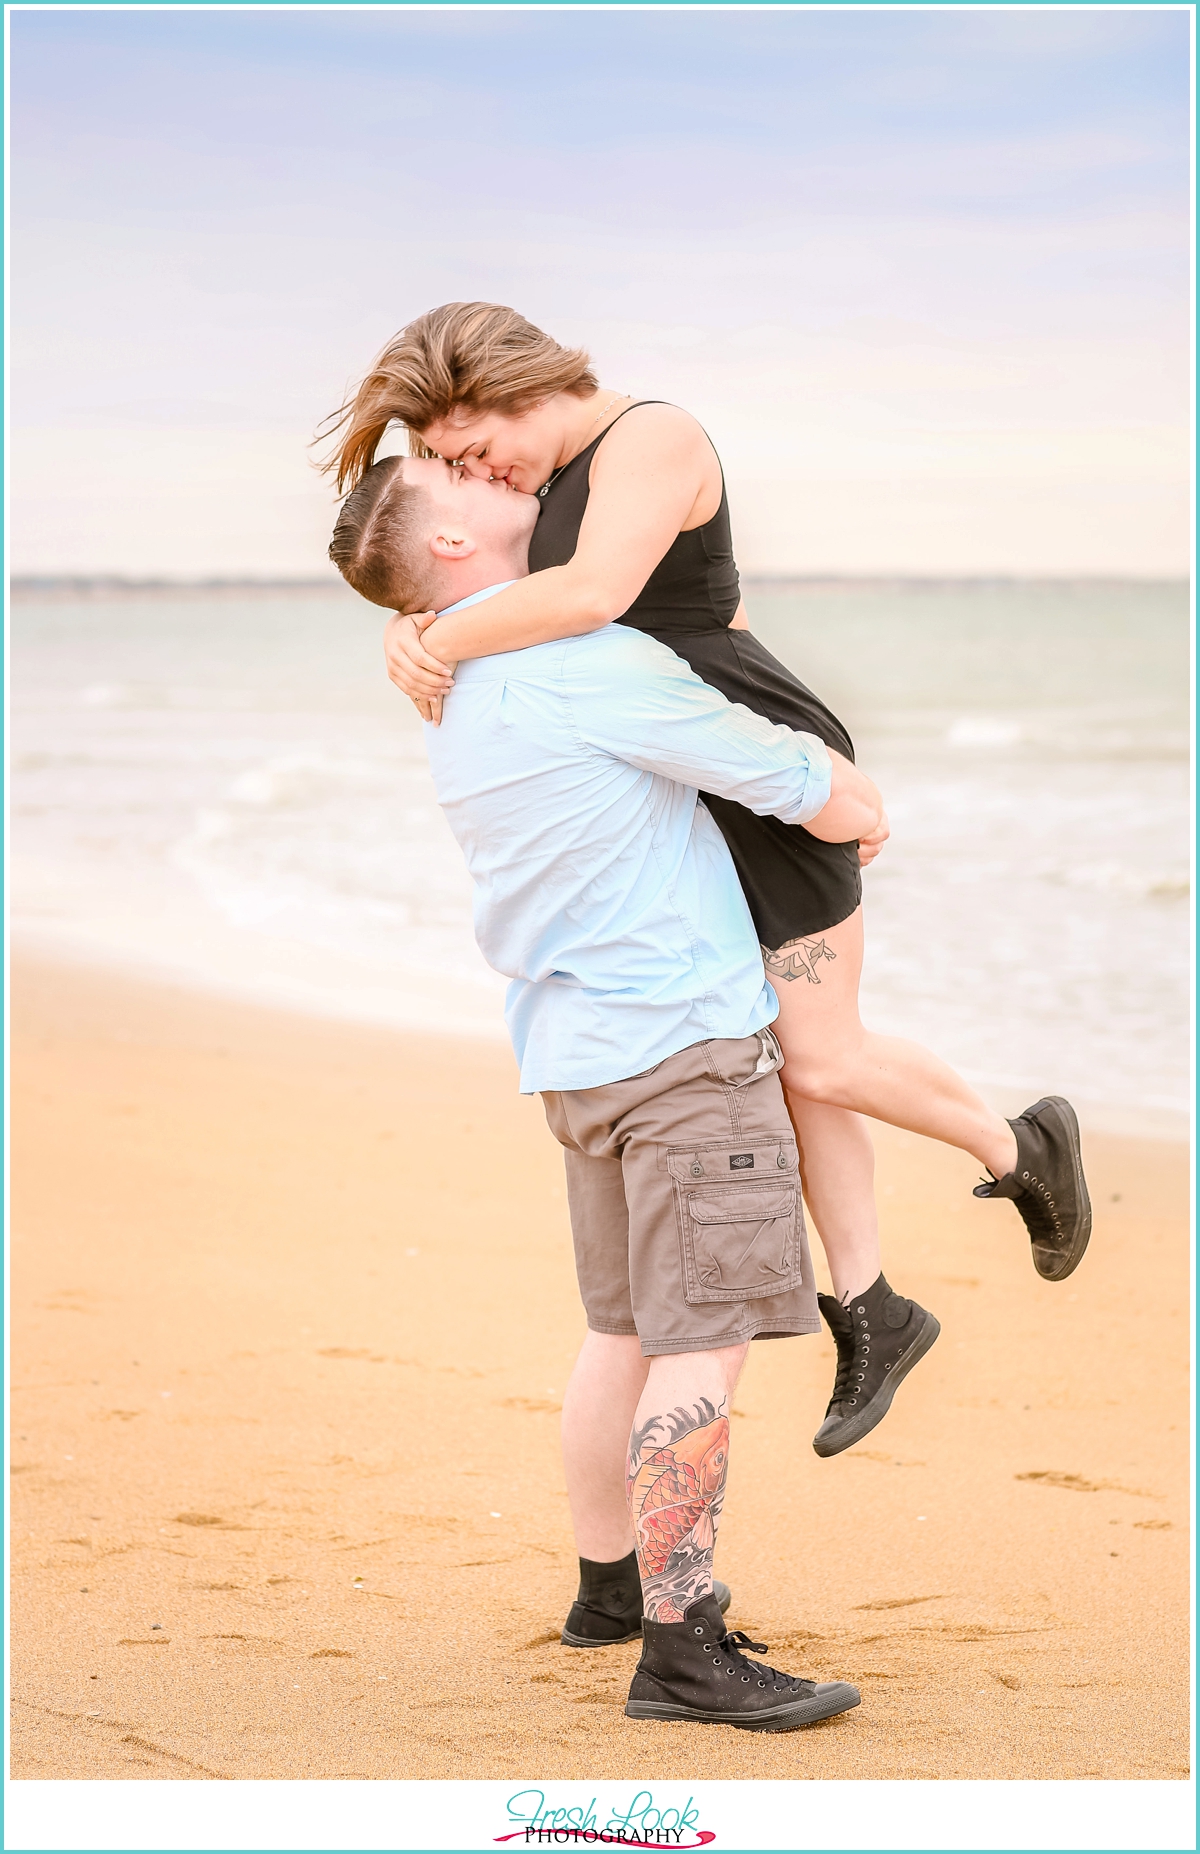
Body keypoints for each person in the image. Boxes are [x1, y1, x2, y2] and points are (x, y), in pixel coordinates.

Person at [321, 302, 1092, 1462]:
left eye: (471, 445)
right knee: (784, 1054)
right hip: (667, 757)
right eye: (452, 465)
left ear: (514, 377)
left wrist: (437, 635)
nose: (474, 470)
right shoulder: (554, 482)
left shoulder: (652, 437)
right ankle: (872, 1302)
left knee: (821, 1054)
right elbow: (583, 604)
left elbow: (587, 601)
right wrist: (418, 625)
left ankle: (1018, 1149)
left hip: (736, 745)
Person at [327, 451, 868, 1731]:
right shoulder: (580, 664)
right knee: (704, 1344)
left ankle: (611, 1594)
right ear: (450, 548)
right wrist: (859, 801)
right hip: (684, 1051)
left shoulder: (453, 676)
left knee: (623, 1331)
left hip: (576, 1054)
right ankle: (685, 1647)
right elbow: (799, 786)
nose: (474, 466)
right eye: (447, 476)